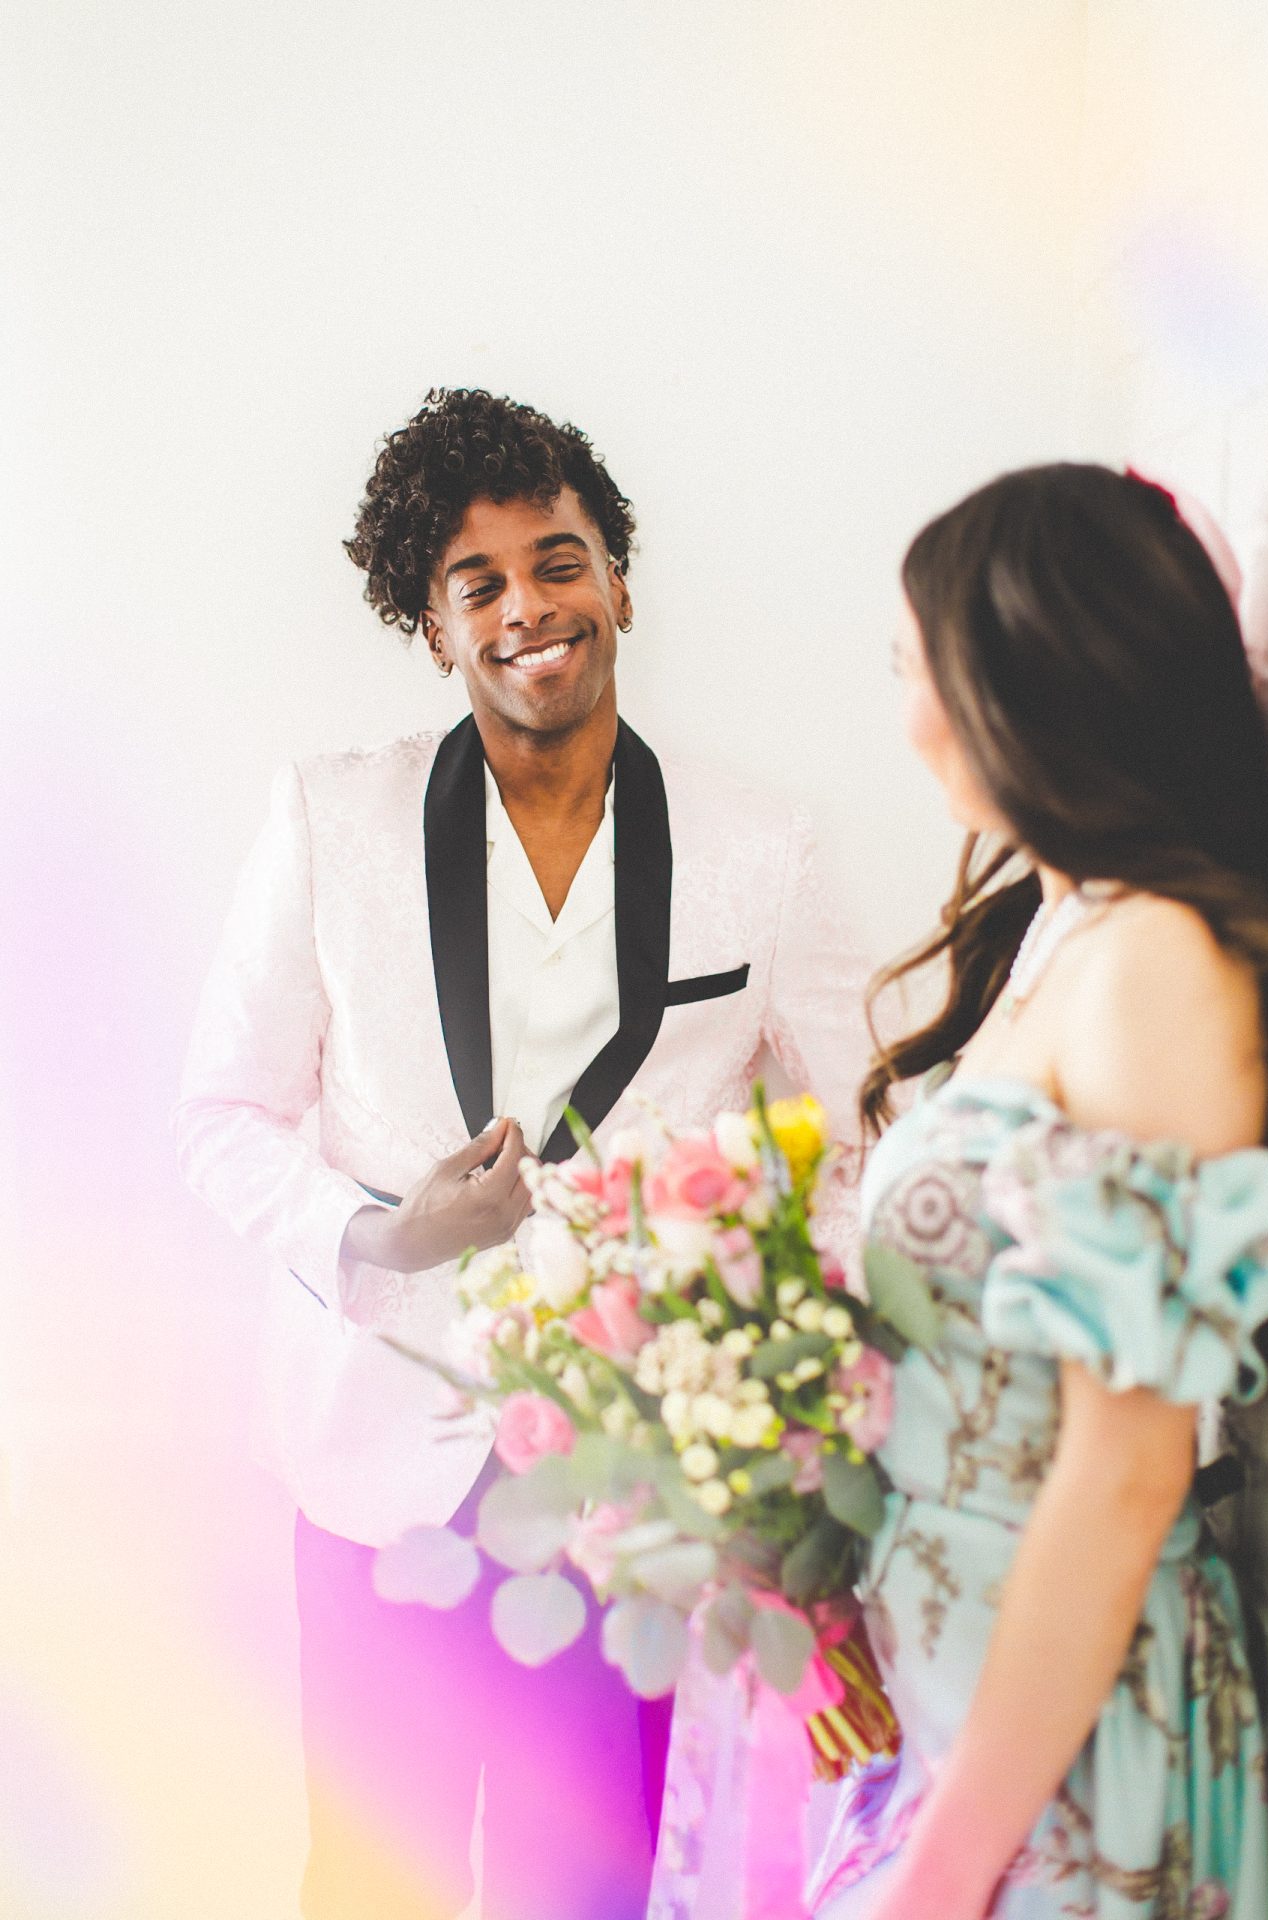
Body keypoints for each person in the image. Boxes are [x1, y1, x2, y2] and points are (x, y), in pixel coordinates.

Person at [172, 387, 868, 1920]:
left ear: (620, 579)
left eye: (558, 561)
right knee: (372, 1886)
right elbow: (219, 1113)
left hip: (640, 1490)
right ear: (432, 628)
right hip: (378, 1471)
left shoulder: (767, 850)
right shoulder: (327, 821)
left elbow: (861, 1140)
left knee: (596, 1888)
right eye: (475, 583)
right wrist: (385, 1238)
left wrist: (788, 1367)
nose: (527, 608)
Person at [802, 462, 1268, 1917]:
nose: (907, 711)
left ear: (1030, 676)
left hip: (1071, 1722)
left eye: (918, 664)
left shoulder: (1152, 962)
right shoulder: (1053, 921)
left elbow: (1127, 1465)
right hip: (949, 1674)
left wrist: (947, 1868)